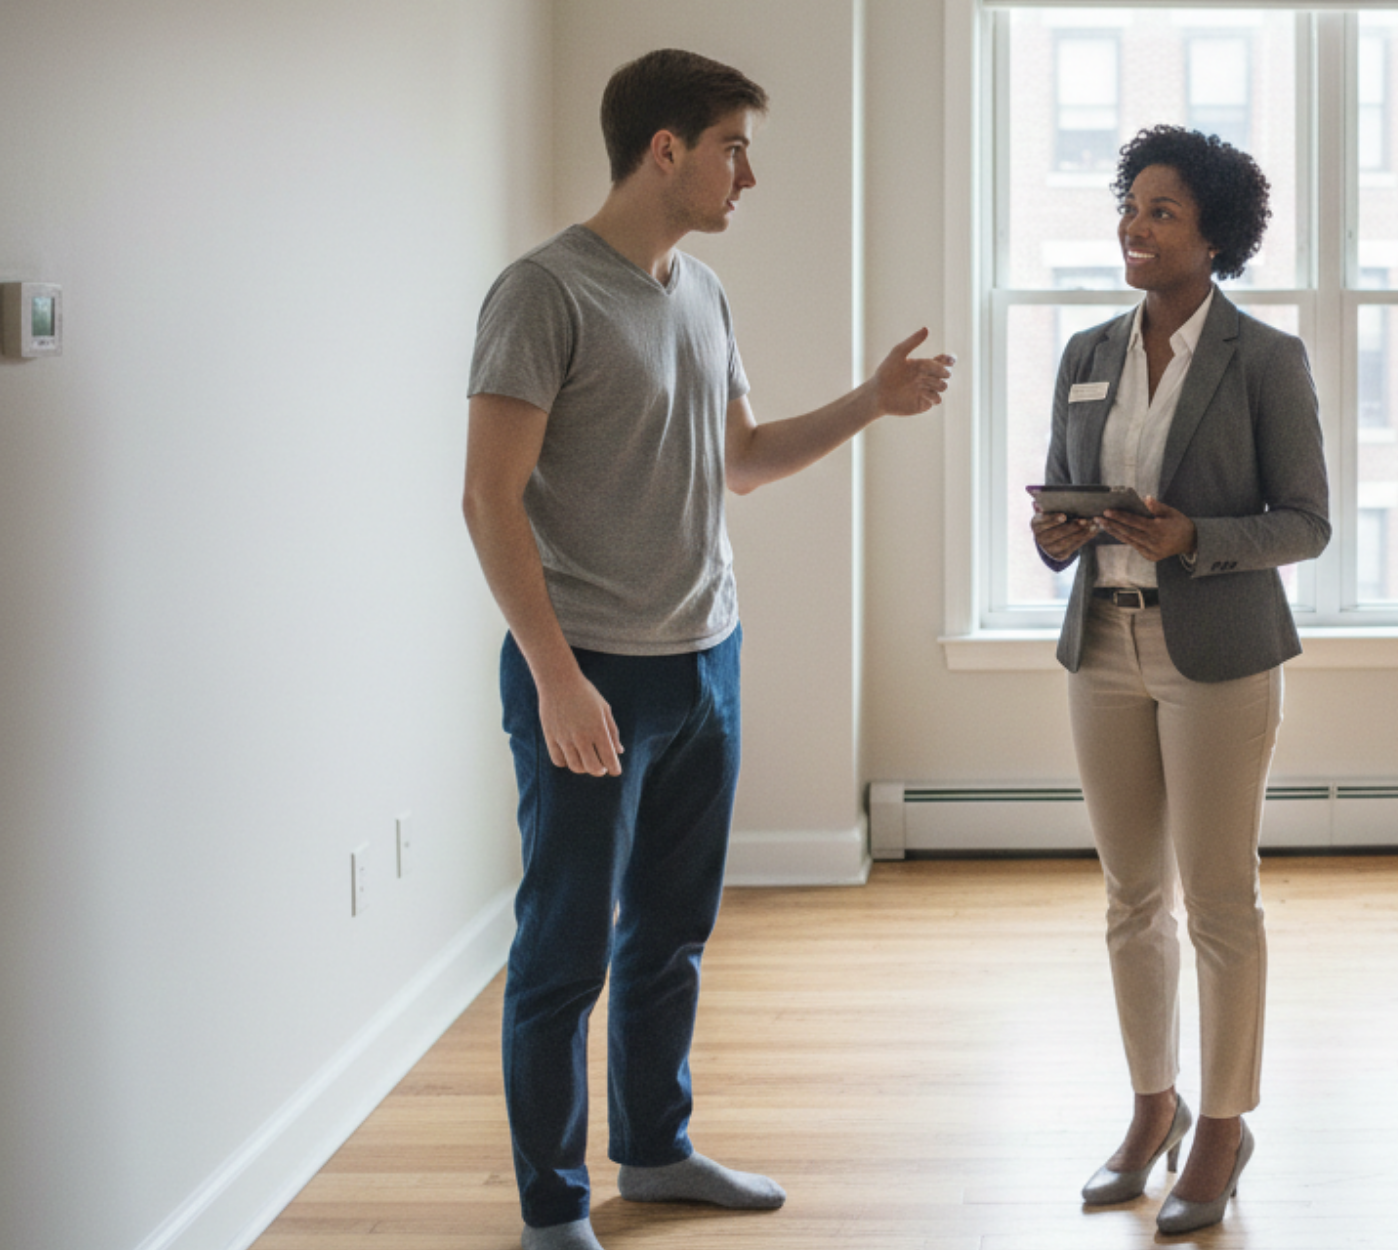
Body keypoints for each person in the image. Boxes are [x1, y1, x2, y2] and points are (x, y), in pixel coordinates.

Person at [461, 49, 952, 1250]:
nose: (750, 172)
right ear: (665, 149)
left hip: (705, 655)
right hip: (589, 671)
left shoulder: (699, 290)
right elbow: (488, 499)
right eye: (734, 144)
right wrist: (556, 676)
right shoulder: (543, 293)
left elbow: (741, 461)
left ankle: (657, 1148)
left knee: (671, 928)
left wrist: (870, 402)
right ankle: (550, 1205)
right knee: (564, 946)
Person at [1031, 125, 1328, 1236]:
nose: (1135, 227)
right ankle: (1153, 1105)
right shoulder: (1086, 349)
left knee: (1217, 901)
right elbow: (1064, 487)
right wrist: (1057, 532)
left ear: (1215, 235)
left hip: (1218, 654)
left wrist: (1192, 534)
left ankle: (1224, 1121)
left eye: (1161, 212)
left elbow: (1305, 523)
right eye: (1130, 207)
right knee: (1128, 896)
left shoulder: (1263, 360)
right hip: (1100, 642)